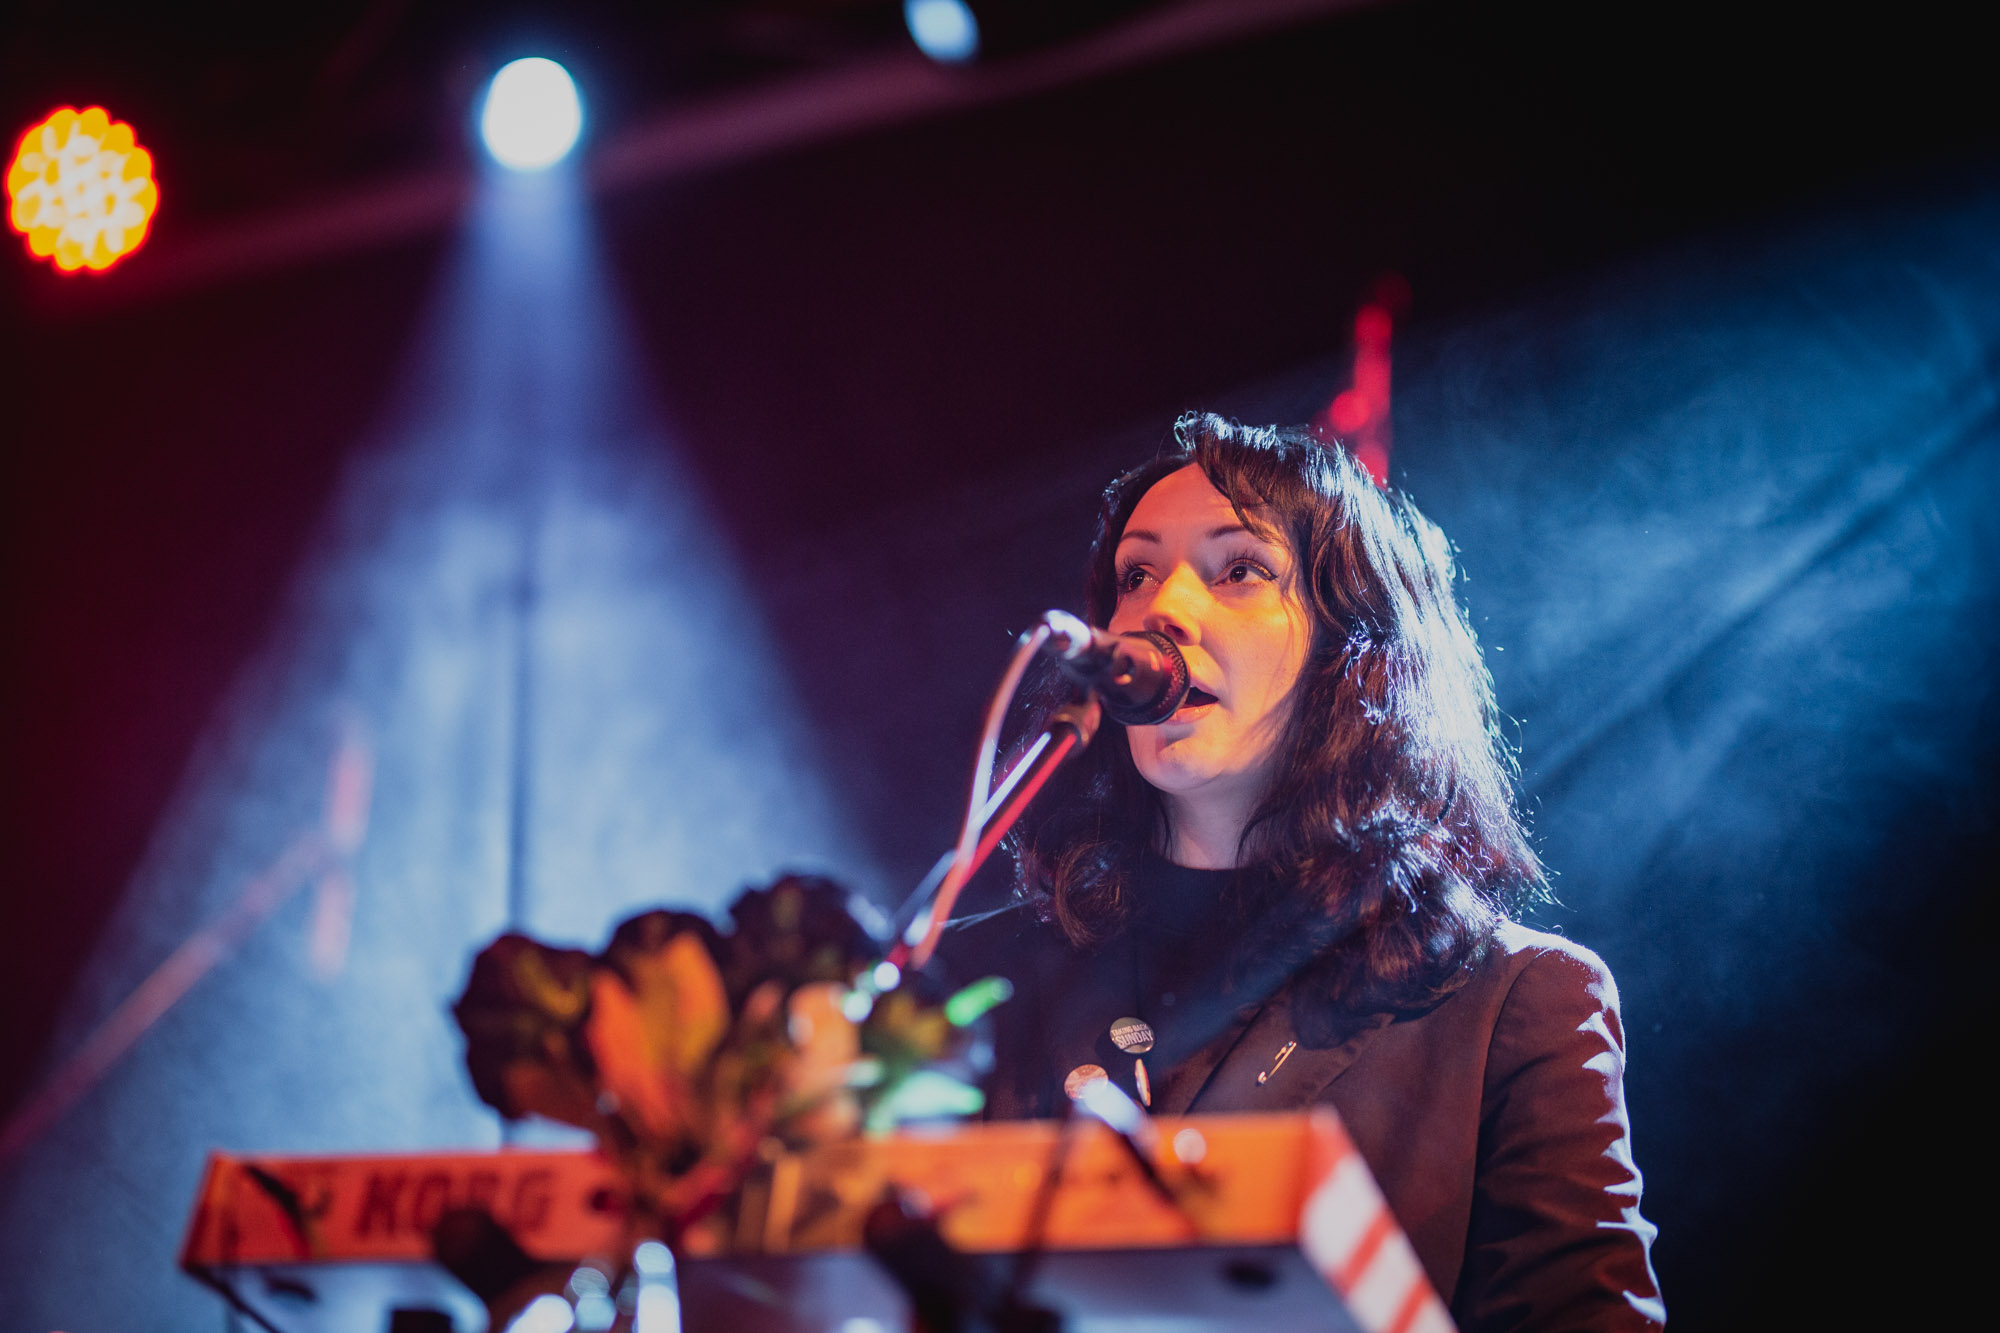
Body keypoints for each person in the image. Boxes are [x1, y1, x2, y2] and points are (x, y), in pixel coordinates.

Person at [950, 412, 1664, 1331]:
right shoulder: (976, 981)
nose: (1163, 610)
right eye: (1136, 575)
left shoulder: (1514, 1001)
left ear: (1353, 651)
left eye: (1239, 569)